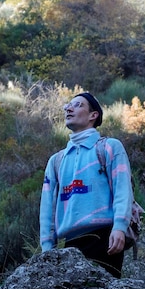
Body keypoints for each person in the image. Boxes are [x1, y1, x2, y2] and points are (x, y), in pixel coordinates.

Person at [39, 92, 133, 278]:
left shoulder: (109, 147)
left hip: (105, 239)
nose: (69, 108)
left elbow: (123, 190)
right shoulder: (56, 161)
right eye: (68, 105)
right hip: (69, 245)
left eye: (78, 105)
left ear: (93, 115)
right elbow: (47, 208)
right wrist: (47, 249)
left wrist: (120, 227)